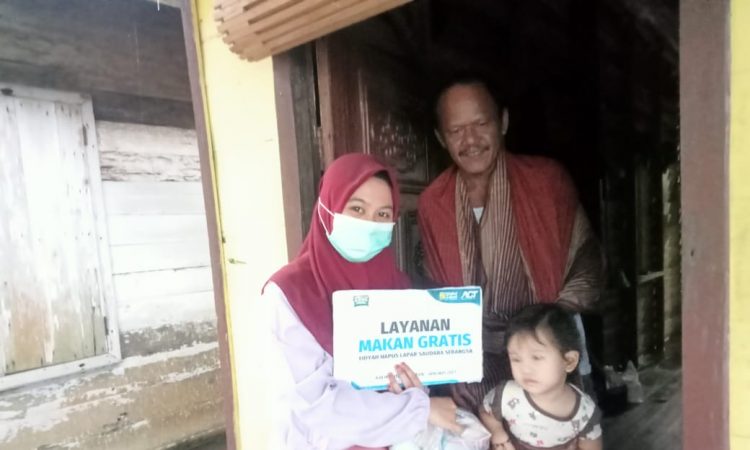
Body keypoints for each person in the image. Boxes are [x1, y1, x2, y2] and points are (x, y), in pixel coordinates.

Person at [417, 76, 604, 410]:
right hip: (471, 367)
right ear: (441, 138)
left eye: (481, 124)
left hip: (545, 356)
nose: (470, 140)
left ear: (502, 122)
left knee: (558, 430)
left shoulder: (546, 181)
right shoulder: (433, 203)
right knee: (484, 431)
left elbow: (586, 259)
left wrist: (543, 329)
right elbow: (434, 290)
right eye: (456, 130)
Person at [263, 153, 461, 449]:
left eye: (382, 215)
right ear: (328, 208)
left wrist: (414, 389)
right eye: (357, 209)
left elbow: (413, 373)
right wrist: (420, 410)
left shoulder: (399, 286)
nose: (370, 224)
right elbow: (316, 405)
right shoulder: (289, 294)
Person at [479, 304, 602, 450]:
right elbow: (485, 412)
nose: (525, 369)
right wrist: (497, 433)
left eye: (536, 357)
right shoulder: (506, 395)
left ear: (569, 361)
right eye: (516, 359)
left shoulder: (584, 412)